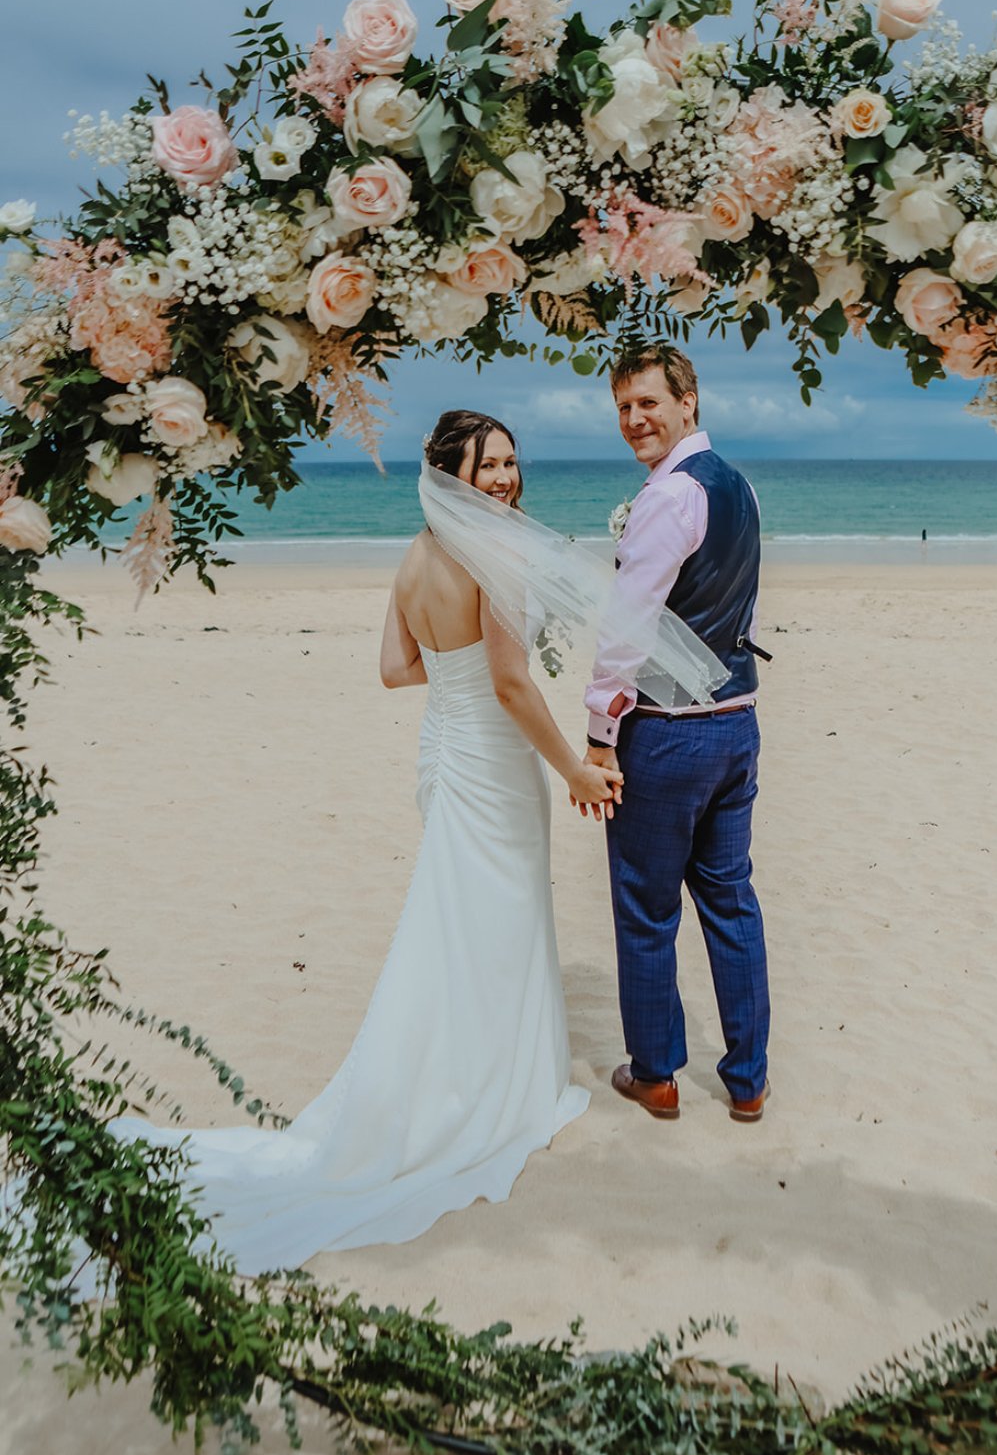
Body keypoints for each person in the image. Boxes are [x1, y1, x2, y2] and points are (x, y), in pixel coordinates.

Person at [100, 410, 620, 1275]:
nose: (503, 478)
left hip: (444, 751)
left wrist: (454, 676)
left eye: (510, 462)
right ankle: (497, 1087)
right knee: (495, 916)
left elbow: (395, 668)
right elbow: (511, 684)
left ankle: (468, 1069)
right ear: (449, 472)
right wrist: (571, 768)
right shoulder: (499, 556)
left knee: (461, 917)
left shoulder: (416, 556)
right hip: (490, 761)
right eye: (486, 465)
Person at [583, 345, 772, 1123]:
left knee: (646, 907)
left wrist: (601, 730)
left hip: (667, 737)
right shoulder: (739, 485)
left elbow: (628, 628)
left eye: (649, 403)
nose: (635, 420)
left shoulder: (669, 497)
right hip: (737, 727)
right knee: (731, 900)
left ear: (689, 400)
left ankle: (657, 1073)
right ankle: (748, 1079)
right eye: (624, 407)